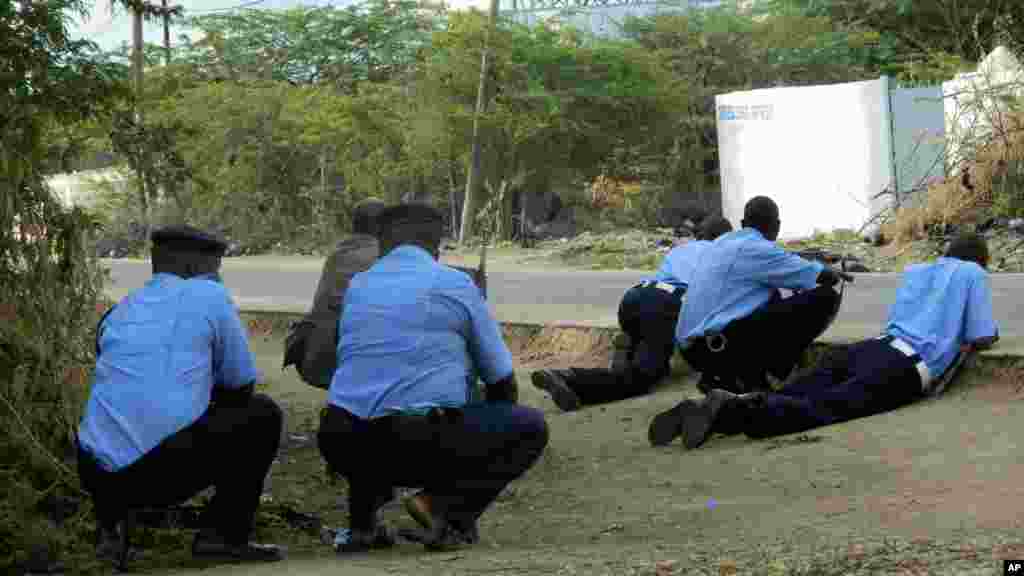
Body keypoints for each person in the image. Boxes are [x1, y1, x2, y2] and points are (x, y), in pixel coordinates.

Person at [317, 203, 549, 553]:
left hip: (339, 440)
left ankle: (362, 526)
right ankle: (444, 508)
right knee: (528, 425)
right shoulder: (453, 283)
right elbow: (501, 378)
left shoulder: (359, 285)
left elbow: (349, 364)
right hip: (417, 443)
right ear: (436, 244)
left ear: (382, 243)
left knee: (366, 405)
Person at [650, 233, 999, 448]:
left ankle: (721, 409)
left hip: (873, 346)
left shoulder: (917, 271)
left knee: (803, 390)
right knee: (829, 406)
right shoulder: (973, 272)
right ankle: (736, 408)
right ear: (979, 260)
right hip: (906, 364)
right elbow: (982, 334)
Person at [77, 226, 284, 569]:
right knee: (260, 415)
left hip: (94, 471)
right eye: (214, 269)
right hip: (156, 475)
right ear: (192, 269)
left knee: (127, 418)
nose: (218, 278)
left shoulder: (120, 309)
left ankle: (109, 526)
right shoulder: (208, 296)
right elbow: (240, 383)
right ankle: (224, 535)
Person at [529, 216, 734, 412]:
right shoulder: (721, 254)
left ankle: (631, 346)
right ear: (726, 238)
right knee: (642, 377)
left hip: (634, 298)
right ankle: (569, 378)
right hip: (663, 306)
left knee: (654, 360)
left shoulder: (682, 249)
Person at [675, 196, 853, 396]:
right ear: (777, 226)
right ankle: (769, 375)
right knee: (823, 298)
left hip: (694, 349)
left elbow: (782, 261)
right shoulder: (756, 249)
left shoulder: (723, 243)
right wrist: (833, 271)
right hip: (714, 348)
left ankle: (735, 376)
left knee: (770, 295)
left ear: (742, 224)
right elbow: (820, 276)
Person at [284, 198, 387, 389]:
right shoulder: (382, 256)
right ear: (383, 226)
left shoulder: (338, 253)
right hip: (350, 359)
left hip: (317, 356)